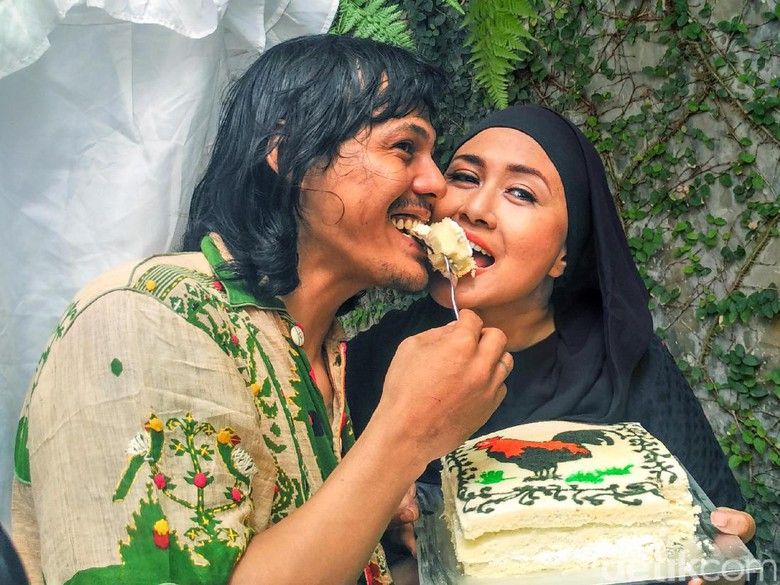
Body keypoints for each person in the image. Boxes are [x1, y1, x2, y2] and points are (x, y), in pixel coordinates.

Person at [11, 35, 512, 585]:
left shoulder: (320, 349)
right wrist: (404, 435)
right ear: (288, 150)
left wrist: (379, 519)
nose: (437, 184)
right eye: (403, 147)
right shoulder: (144, 319)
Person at [346, 105, 756, 583]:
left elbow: (724, 541)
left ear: (564, 253)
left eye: (520, 193)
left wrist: (727, 567)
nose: (474, 208)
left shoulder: (626, 364)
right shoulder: (372, 360)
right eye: (464, 177)